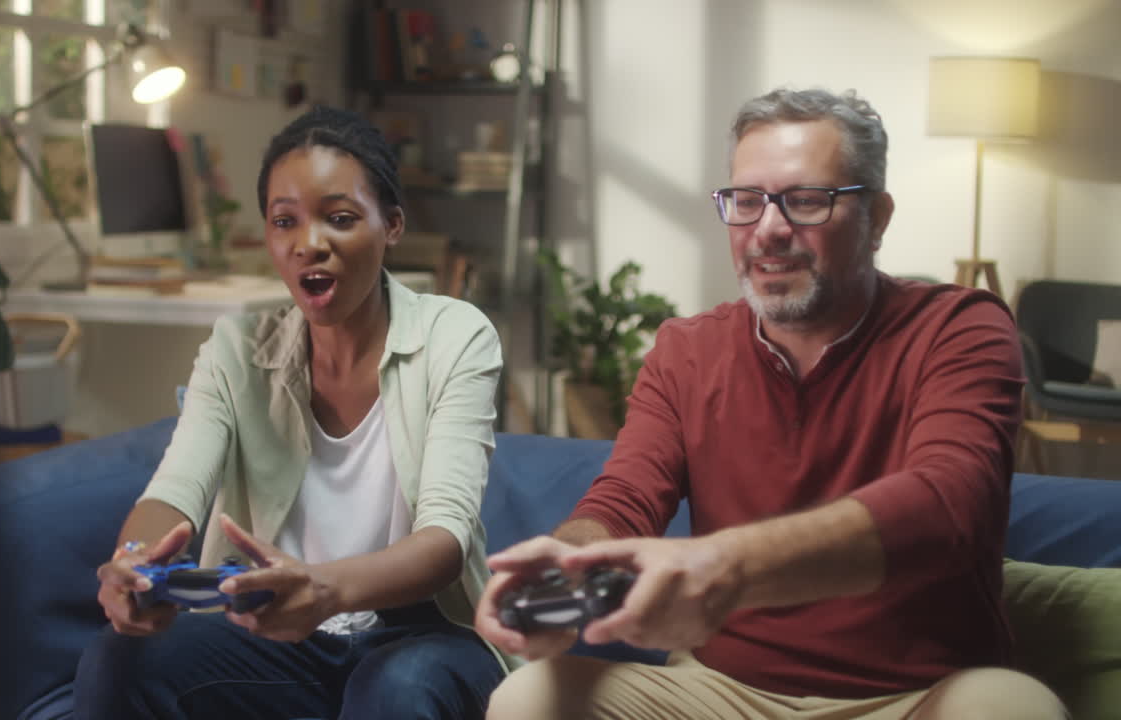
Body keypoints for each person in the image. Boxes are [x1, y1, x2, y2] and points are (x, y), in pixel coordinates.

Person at [474, 88, 1068, 719]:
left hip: (915, 697)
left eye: (808, 201)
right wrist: (570, 563)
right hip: (720, 692)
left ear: (878, 217)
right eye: (746, 201)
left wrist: (725, 564)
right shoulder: (686, 350)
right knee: (528, 698)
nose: (769, 229)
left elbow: (950, 504)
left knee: (1015, 708)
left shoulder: (959, 327)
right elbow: (626, 498)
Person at [74, 105, 512, 720]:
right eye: (285, 222)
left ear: (391, 226)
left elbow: (444, 538)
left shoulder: (455, 335)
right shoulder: (236, 349)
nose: (310, 243)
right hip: (279, 640)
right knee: (118, 659)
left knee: (396, 687)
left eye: (339, 218)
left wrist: (324, 588)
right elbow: (176, 488)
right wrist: (136, 564)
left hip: (422, 635)